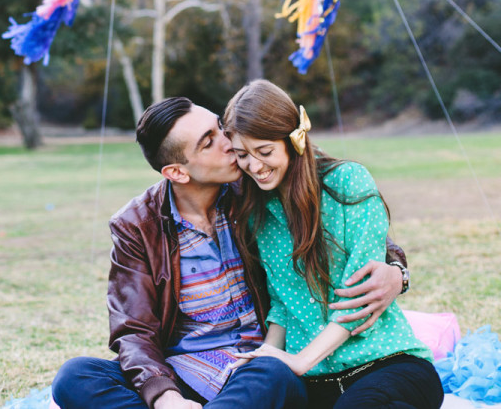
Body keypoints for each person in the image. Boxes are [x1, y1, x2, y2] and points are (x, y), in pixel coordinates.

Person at [52, 96, 407, 409]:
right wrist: (167, 398)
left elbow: (347, 233)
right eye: (209, 142)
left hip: (256, 368)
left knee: (273, 375)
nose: (230, 143)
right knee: (75, 377)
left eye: (220, 128)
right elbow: (133, 330)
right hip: (186, 372)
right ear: (177, 171)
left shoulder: (255, 188)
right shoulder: (137, 226)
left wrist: (396, 269)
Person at [223, 79, 444, 409]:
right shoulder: (260, 216)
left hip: (385, 364)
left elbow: (360, 293)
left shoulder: (347, 183)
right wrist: (268, 358)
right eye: (242, 155)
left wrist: (300, 361)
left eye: (265, 151)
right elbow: (283, 303)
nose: (254, 166)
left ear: (293, 139)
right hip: (315, 383)